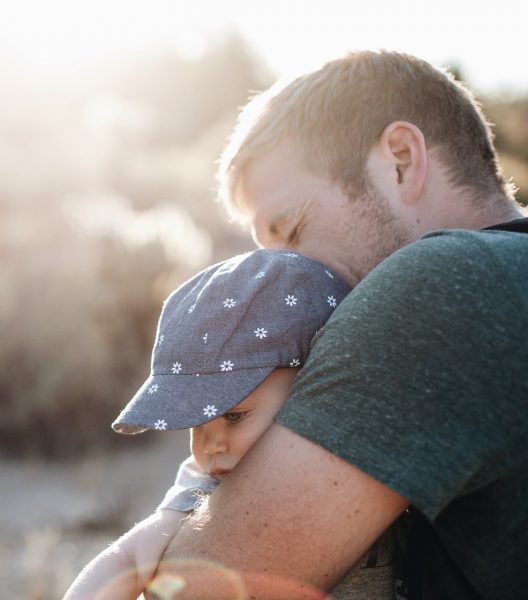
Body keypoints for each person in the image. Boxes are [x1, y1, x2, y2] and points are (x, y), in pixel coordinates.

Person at [149, 51, 528, 599]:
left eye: (292, 230)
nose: (279, 279)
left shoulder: (440, 284)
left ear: (400, 159)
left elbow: (194, 592)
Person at [64, 250, 399, 599]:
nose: (211, 445)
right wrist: (168, 525)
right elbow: (127, 556)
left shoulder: (370, 448)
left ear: (312, 384)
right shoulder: (207, 486)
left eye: (234, 416)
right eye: (196, 424)